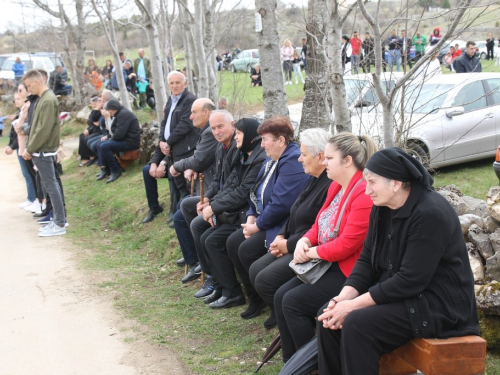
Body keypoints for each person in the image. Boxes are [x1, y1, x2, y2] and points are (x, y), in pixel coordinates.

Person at [317, 147, 480, 374]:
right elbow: (366, 259)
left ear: (395, 183)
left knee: (357, 324)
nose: (367, 191)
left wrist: (353, 306)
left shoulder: (429, 213)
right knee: (329, 315)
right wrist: (342, 298)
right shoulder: (382, 207)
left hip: (437, 304)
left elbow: (411, 280)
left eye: (372, 183)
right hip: (403, 294)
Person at [275, 132, 377, 362]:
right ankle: (291, 361)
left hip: (349, 271)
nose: (324, 162)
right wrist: (304, 240)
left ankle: (310, 364)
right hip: (329, 263)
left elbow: (348, 244)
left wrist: (309, 252)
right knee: (281, 295)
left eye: (329, 158)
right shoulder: (336, 186)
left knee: (292, 303)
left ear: (348, 161)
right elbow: (319, 223)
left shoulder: (362, 192)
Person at [226, 116, 310, 320]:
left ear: (281, 140)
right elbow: (255, 190)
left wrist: (257, 226)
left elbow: (282, 204)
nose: (261, 145)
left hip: (281, 224)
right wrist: (252, 216)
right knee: (233, 242)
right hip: (265, 218)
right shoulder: (272, 158)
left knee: (246, 250)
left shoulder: (291, 161)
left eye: (265, 140)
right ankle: (256, 298)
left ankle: (272, 304)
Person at [249, 128, 332, 329]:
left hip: (307, 248)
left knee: (265, 280)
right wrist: (280, 235)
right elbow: (295, 211)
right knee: (255, 270)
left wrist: (289, 244)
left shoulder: (329, 184)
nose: (299, 159)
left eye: (304, 155)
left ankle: (290, 322)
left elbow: (321, 229)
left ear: (320, 157)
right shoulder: (313, 179)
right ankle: (283, 319)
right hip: (294, 240)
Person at [196, 118, 267, 309]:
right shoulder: (243, 154)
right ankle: (221, 286)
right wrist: (212, 204)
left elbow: (242, 193)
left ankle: (234, 292)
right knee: (205, 236)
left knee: (214, 240)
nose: (236, 137)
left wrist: (214, 207)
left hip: (245, 214)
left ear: (251, 135)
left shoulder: (258, 157)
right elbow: (230, 184)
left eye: (239, 133)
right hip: (239, 211)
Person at [181, 110, 239, 299]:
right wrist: (206, 199)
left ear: (233, 124)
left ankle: (216, 279)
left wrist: (212, 205)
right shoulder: (220, 147)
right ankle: (209, 273)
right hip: (219, 198)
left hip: (234, 206)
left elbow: (234, 186)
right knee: (189, 206)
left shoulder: (237, 148)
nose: (216, 131)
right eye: (213, 128)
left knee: (199, 226)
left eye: (220, 126)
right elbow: (217, 181)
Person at [168, 99, 219, 280]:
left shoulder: (211, 131)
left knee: (182, 216)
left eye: (194, 112)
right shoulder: (205, 131)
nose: (190, 116)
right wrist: (193, 166)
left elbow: (199, 159)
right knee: (180, 215)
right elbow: (200, 158)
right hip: (208, 184)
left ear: (206, 113)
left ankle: (198, 261)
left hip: (213, 187)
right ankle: (195, 259)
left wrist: (178, 166)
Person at [141, 71, 198, 224]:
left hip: (184, 149)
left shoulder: (189, 100)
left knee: (180, 182)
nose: (174, 85)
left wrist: (168, 143)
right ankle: (155, 208)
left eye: (178, 82)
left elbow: (184, 126)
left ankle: (179, 213)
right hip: (170, 148)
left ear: (185, 84)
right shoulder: (171, 100)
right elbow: (165, 124)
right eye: (171, 83)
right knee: (148, 170)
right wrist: (161, 142)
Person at [22, 70, 66, 237]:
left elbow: (43, 130)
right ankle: (57, 221)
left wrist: (30, 148)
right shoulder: (43, 99)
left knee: (51, 186)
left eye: (28, 85)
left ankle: (60, 223)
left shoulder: (48, 99)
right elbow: (36, 127)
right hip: (40, 149)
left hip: (44, 150)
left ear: (37, 82)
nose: (28, 89)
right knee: (49, 186)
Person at [95, 99, 141, 183]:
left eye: (108, 110)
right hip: (124, 139)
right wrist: (110, 138)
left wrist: (110, 139)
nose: (108, 112)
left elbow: (119, 134)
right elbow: (114, 132)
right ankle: (105, 169)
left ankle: (116, 170)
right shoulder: (120, 113)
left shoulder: (123, 114)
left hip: (130, 142)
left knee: (104, 146)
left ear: (112, 109)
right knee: (100, 144)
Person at [78, 95, 102, 166]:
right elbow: (90, 121)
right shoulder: (94, 111)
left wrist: (91, 126)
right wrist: (88, 128)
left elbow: (96, 122)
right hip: (94, 129)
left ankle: (93, 157)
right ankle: (85, 157)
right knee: (82, 136)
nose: (93, 105)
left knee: (87, 139)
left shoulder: (99, 110)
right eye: (92, 103)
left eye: (95, 103)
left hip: (99, 131)